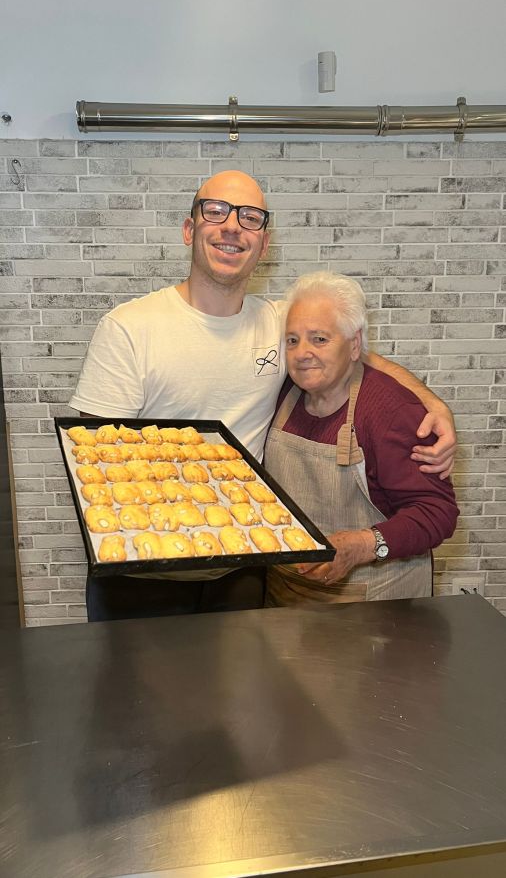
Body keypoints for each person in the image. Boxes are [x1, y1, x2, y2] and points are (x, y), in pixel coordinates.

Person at [69, 170, 456, 620]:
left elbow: (358, 354)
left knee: (240, 690)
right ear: (189, 229)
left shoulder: (281, 327)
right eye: (216, 211)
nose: (232, 226)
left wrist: (435, 406)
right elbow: (95, 465)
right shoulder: (130, 329)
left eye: (250, 218)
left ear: (264, 244)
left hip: (243, 568)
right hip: (142, 572)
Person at [264, 272, 459, 607]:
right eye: (293, 340)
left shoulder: (390, 412)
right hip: (289, 597)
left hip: (374, 606)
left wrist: (361, 545)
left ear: (354, 345)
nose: (302, 353)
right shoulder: (282, 394)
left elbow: (437, 511)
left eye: (320, 339)